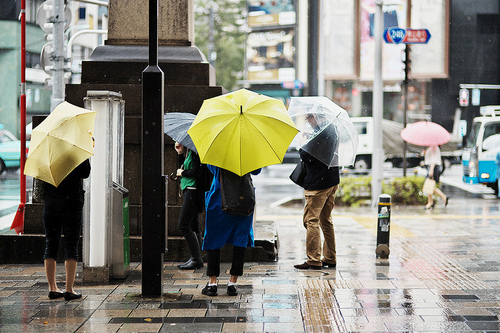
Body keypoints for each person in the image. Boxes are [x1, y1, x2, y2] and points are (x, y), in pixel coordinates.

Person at [201, 165, 261, 297]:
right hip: (242, 199)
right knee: (240, 239)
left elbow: (212, 168)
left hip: (219, 198)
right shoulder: (248, 149)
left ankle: (212, 283)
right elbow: (256, 170)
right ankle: (233, 283)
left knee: (213, 238)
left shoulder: (219, 149)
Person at [294, 112, 340, 270]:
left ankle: (314, 259)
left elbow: (307, 156)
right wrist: (311, 136)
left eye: (309, 118)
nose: (308, 121)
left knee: (311, 220)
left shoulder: (322, 132)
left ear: (316, 116)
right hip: (331, 180)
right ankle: (330, 257)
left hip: (318, 183)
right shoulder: (331, 129)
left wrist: (302, 142)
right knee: (326, 220)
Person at [43, 159, 90, 301]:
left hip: (51, 203)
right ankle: (69, 289)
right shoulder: (76, 150)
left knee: (51, 243)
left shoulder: (48, 152)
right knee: (71, 244)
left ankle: (52, 288)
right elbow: (85, 173)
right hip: (72, 203)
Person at [174, 142, 204, 270]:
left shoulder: (197, 152)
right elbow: (182, 168)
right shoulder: (190, 151)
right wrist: (180, 153)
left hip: (193, 190)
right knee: (193, 225)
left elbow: (197, 172)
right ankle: (196, 258)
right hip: (189, 190)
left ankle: (197, 259)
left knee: (184, 225)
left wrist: (183, 173)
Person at [424, 145, 449, 209]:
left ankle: (432, 201)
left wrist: (431, 169)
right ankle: (432, 201)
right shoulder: (432, 147)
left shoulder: (434, 147)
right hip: (432, 167)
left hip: (433, 167)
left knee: (429, 185)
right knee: (430, 186)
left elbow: (433, 160)